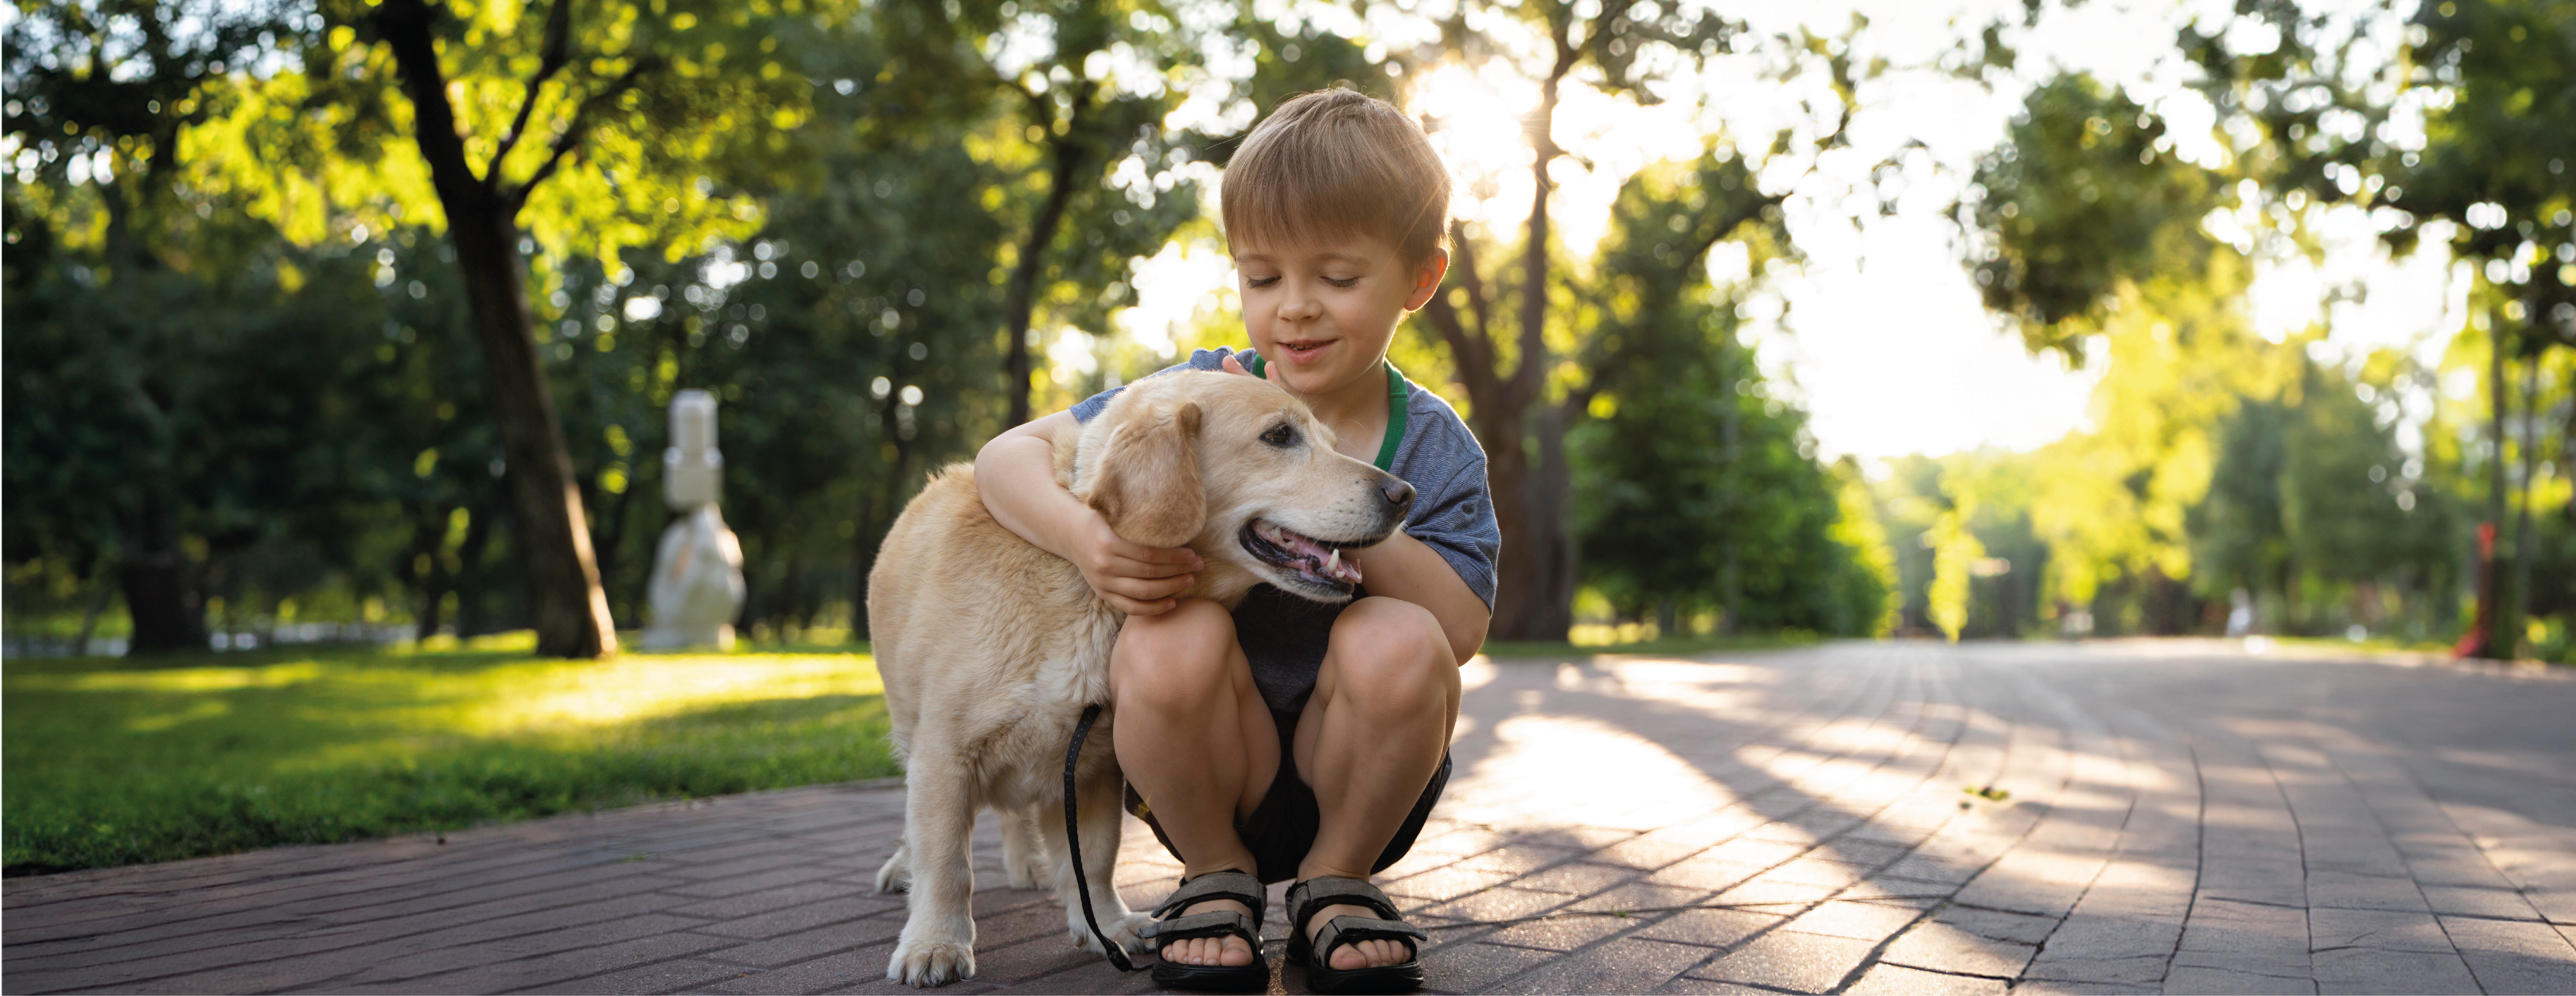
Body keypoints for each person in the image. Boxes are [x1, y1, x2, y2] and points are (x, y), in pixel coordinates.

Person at [973, 89, 1496, 994]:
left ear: (1419, 280)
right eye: (1262, 278)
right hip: (1209, 768)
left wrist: (1347, 514)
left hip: (1366, 779)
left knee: (1400, 636)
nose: (1293, 309)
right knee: (1171, 631)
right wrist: (1085, 540)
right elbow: (1002, 457)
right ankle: (1216, 874)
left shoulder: (1434, 443)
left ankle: (1338, 882)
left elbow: (1458, 631)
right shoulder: (1206, 399)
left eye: (1335, 278)